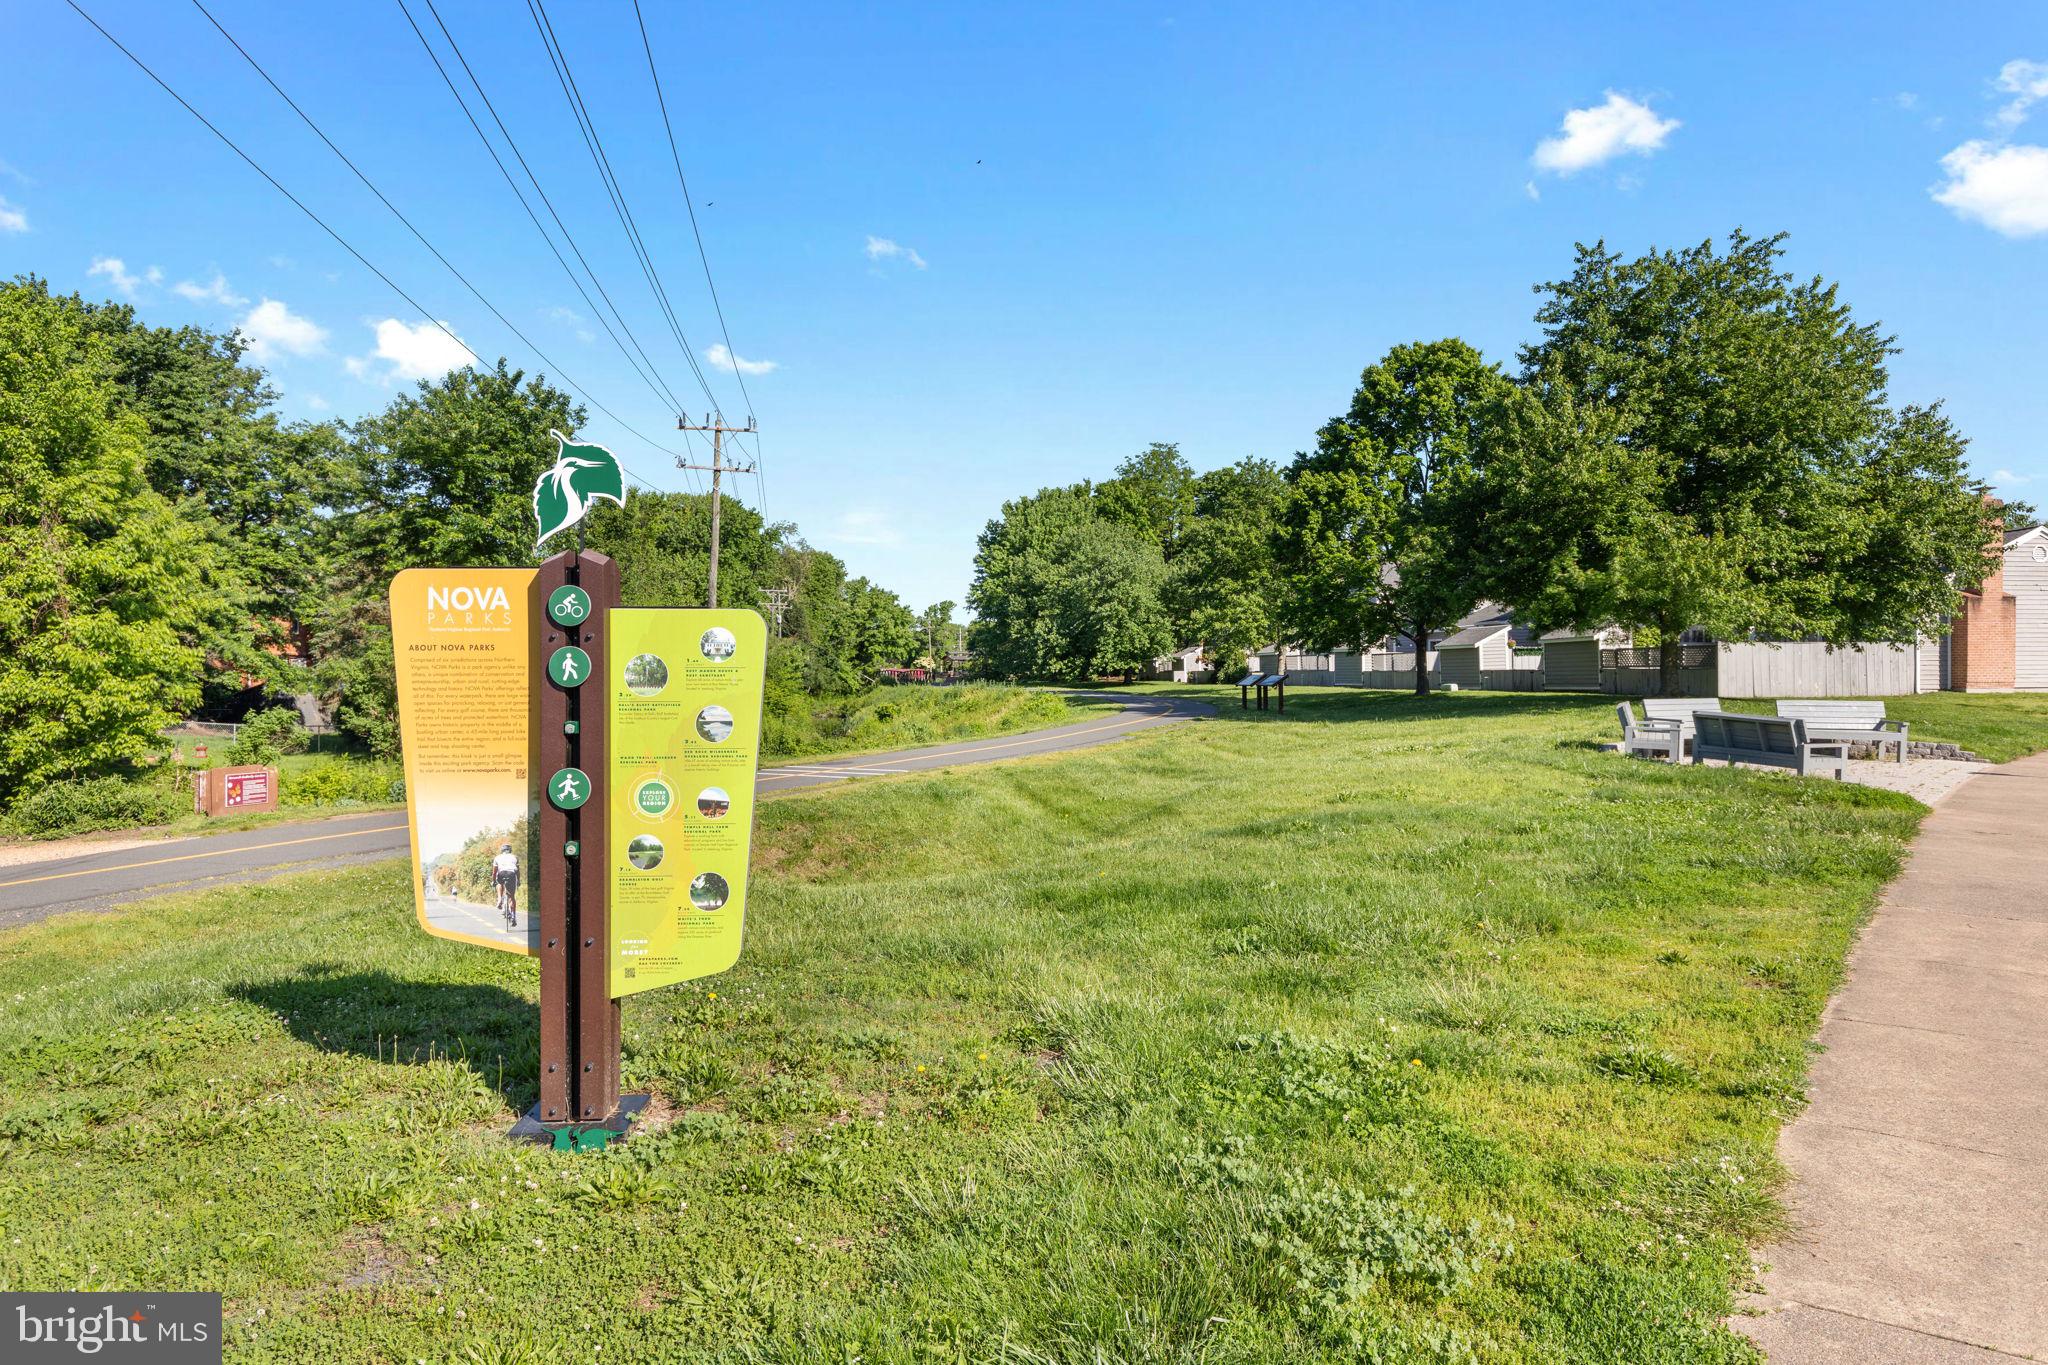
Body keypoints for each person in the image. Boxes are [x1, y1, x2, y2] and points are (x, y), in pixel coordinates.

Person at [492, 843, 520, 928]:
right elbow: (518, 871)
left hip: (501, 873)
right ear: (510, 850)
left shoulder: (497, 857)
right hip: (511, 874)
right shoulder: (515, 857)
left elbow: (494, 872)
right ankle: (514, 917)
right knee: (512, 897)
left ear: (502, 850)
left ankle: (500, 899)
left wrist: (493, 881)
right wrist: (518, 880)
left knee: (499, 883)